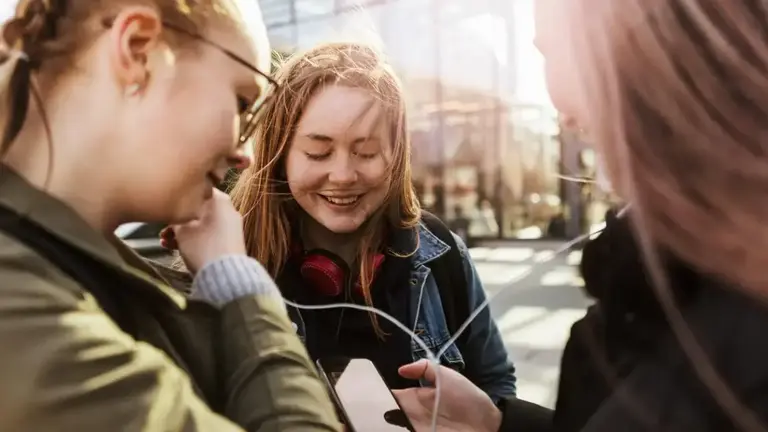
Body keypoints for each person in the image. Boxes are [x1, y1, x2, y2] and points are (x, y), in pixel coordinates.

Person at [393, 0, 768, 431]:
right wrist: (498, 423)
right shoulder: (670, 282)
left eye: (554, 50)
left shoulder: (729, 331)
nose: (559, 104)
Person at [0, 0, 338, 430]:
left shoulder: (69, 267)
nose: (245, 155)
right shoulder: (25, 317)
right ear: (138, 49)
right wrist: (236, 282)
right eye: (241, 103)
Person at [228, 42, 516, 401]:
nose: (344, 175)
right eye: (318, 152)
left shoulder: (440, 251)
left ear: (396, 155)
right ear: (279, 155)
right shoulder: (228, 266)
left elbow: (495, 383)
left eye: (367, 152)